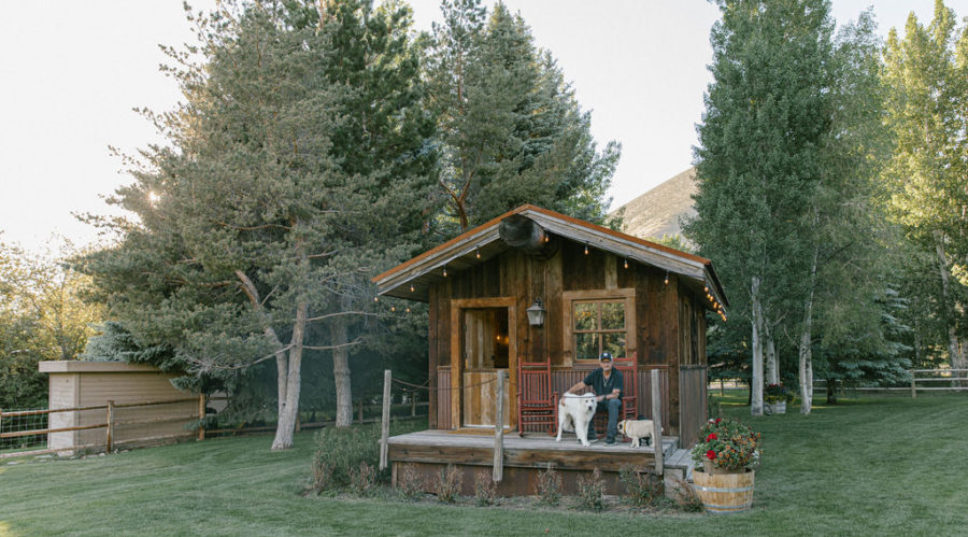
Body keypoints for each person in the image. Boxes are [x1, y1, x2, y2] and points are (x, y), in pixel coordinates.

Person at [565, 351, 623, 444]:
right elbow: (581, 385)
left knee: (613, 402)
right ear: (600, 363)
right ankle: (590, 435)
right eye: (604, 362)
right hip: (599, 402)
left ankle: (610, 438)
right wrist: (567, 394)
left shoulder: (617, 374)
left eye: (608, 361)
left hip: (614, 402)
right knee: (588, 403)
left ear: (612, 362)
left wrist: (601, 397)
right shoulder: (596, 373)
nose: (606, 364)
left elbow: (615, 395)